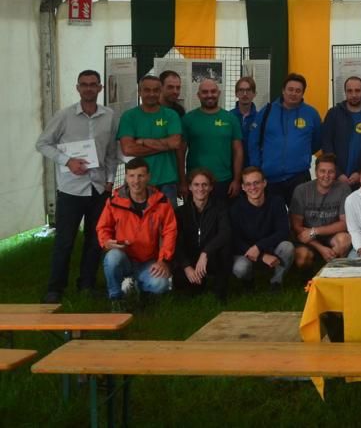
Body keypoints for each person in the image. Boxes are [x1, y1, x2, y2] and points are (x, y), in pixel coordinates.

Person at [36, 70, 120, 303]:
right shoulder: (64, 116)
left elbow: (112, 152)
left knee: (95, 240)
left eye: (93, 85)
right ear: (77, 88)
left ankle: (86, 284)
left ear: (100, 88)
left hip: (99, 188)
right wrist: (67, 160)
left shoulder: (110, 116)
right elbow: (43, 143)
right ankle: (55, 289)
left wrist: (111, 180)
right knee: (64, 241)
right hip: (71, 189)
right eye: (84, 85)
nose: (89, 89)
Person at [96, 158, 176, 310]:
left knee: (161, 284)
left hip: (149, 260)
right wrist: (106, 242)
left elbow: (170, 233)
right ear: (126, 177)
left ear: (148, 177)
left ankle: (142, 290)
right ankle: (116, 298)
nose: (136, 181)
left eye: (141, 176)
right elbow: (103, 227)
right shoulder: (114, 201)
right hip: (124, 258)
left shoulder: (162, 202)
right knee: (112, 257)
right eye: (132, 176)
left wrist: (163, 260)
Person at [248, 73, 322, 206]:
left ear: (303, 93)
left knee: (301, 219)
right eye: (290, 89)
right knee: (273, 220)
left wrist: (301, 155)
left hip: (299, 177)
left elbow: (317, 141)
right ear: (283, 90)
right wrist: (258, 168)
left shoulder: (311, 114)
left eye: (298, 90)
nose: (293, 93)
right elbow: (253, 142)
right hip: (270, 177)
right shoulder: (267, 111)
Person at [117, 75, 183, 202]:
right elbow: (128, 149)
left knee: (168, 221)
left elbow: (175, 143)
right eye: (147, 90)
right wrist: (164, 145)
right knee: (139, 221)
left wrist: (144, 141)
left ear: (160, 91)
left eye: (155, 90)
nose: (151, 94)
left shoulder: (171, 115)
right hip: (138, 182)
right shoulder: (129, 116)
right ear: (140, 92)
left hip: (167, 181)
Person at [229, 167, 294, 290]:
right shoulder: (236, 208)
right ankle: (248, 281)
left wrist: (259, 247)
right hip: (246, 252)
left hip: (268, 248)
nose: (252, 188)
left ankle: (276, 282)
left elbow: (284, 231)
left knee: (287, 247)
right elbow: (235, 240)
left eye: (256, 183)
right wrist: (261, 256)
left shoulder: (276, 201)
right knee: (240, 268)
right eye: (248, 184)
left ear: (264, 183)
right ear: (243, 187)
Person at [172, 168, 231, 302]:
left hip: (212, 257)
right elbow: (175, 242)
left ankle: (219, 289)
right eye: (196, 185)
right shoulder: (180, 212)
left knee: (225, 246)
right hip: (191, 259)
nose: (201, 188)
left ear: (210, 187)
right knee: (182, 283)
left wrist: (205, 253)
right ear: (190, 187)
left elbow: (225, 233)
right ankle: (197, 282)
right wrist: (187, 267)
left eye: (205, 185)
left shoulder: (220, 208)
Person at [181, 79, 243, 202]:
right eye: (205, 92)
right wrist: (182, 181)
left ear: (219, 93)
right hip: (196, 183)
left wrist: (237, 180)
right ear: (198, 95)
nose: (209, 95)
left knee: (222, 220)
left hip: (224, 181)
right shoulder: (188, 119)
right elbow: (180, 153)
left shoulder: (231, 119)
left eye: (213, 91)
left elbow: (238, 151)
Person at [289, 154, 352, 270]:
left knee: (345, 240)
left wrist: (315, 231)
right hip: (307, 238)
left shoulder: (343, 189)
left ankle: (333, 272)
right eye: (322, 171)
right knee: (303, 257)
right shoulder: (301, 190)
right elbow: (296, 225)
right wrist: (320, 248)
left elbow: (345, 223)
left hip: (330, 235)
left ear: (335, 173)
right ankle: (310, 277)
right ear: (315, 171)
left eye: (331, 172)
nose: (326, 176)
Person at [321, 76, 361, 188]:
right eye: (350, 91)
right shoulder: (333, 114)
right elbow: (326, 144)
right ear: (345, 92)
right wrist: (337, 173)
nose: (354, 95)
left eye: (357, 91)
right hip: (337, 178)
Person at [230, 76, 259, 166]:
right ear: (236, 93)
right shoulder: (228, 117)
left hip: (252, 168)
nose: (245, 94)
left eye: (248, 90)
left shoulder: (260, 118)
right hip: (231, 167)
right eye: (241, 90)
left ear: (254, 94)